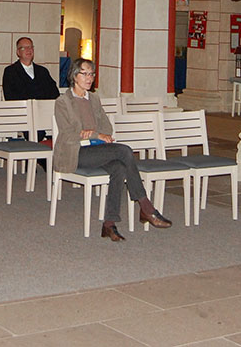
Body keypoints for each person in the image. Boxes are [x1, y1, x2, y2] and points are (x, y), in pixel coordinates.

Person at [53, 58, 171, 241]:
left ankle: (109, 224)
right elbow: (67, 134)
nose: (89, 78)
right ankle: (146, 207)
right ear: (74, 76)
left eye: (92, 74)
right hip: (76, 152)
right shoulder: (63, 101)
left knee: (119, 168)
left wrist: (97, 135)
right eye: (85, 74)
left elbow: (107, 127)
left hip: (97, 150)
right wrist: (94, 134)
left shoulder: (93, 99)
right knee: (124, 151)